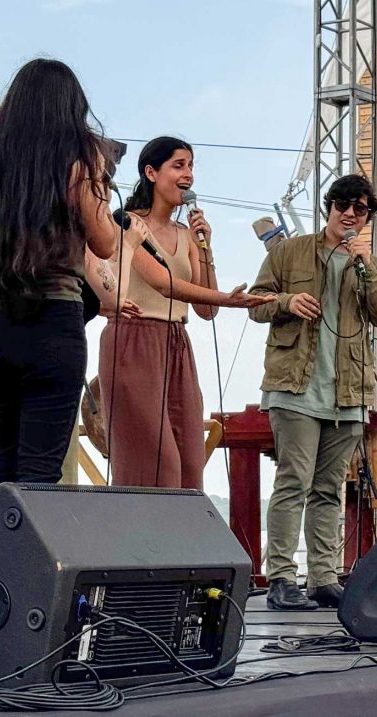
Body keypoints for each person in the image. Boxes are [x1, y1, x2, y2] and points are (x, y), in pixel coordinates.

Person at [0, 58, 120, 505]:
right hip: (53, 321)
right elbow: (106, 241)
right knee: (39, 475)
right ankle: (24, 557)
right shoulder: (81, 160)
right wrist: (99, 187)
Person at [249, 174, 377, 610]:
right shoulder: (289, 251)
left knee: (329, 488)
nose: (349, 214)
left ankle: (322, 578)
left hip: (348, 393)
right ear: (328, 207)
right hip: (295, 387)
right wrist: (286, 302)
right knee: (293, 481)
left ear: (367, 217)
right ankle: (281, 578)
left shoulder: (369, 264)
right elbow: (254, 303)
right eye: (342, 205)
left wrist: (368, 269)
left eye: (360, 209)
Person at [89, 136, 273, 489]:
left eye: (190, 166)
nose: (188, 174)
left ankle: (181, 524)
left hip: (177, 341)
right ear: (151, 172)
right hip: (135, 337)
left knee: (189, 459)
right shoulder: (127, 224)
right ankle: (142, 524)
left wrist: (206, 247)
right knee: (155, 461)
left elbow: (205, 309)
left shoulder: (187, 234)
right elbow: (163, 283)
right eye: (178, 165)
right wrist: (229, 299)